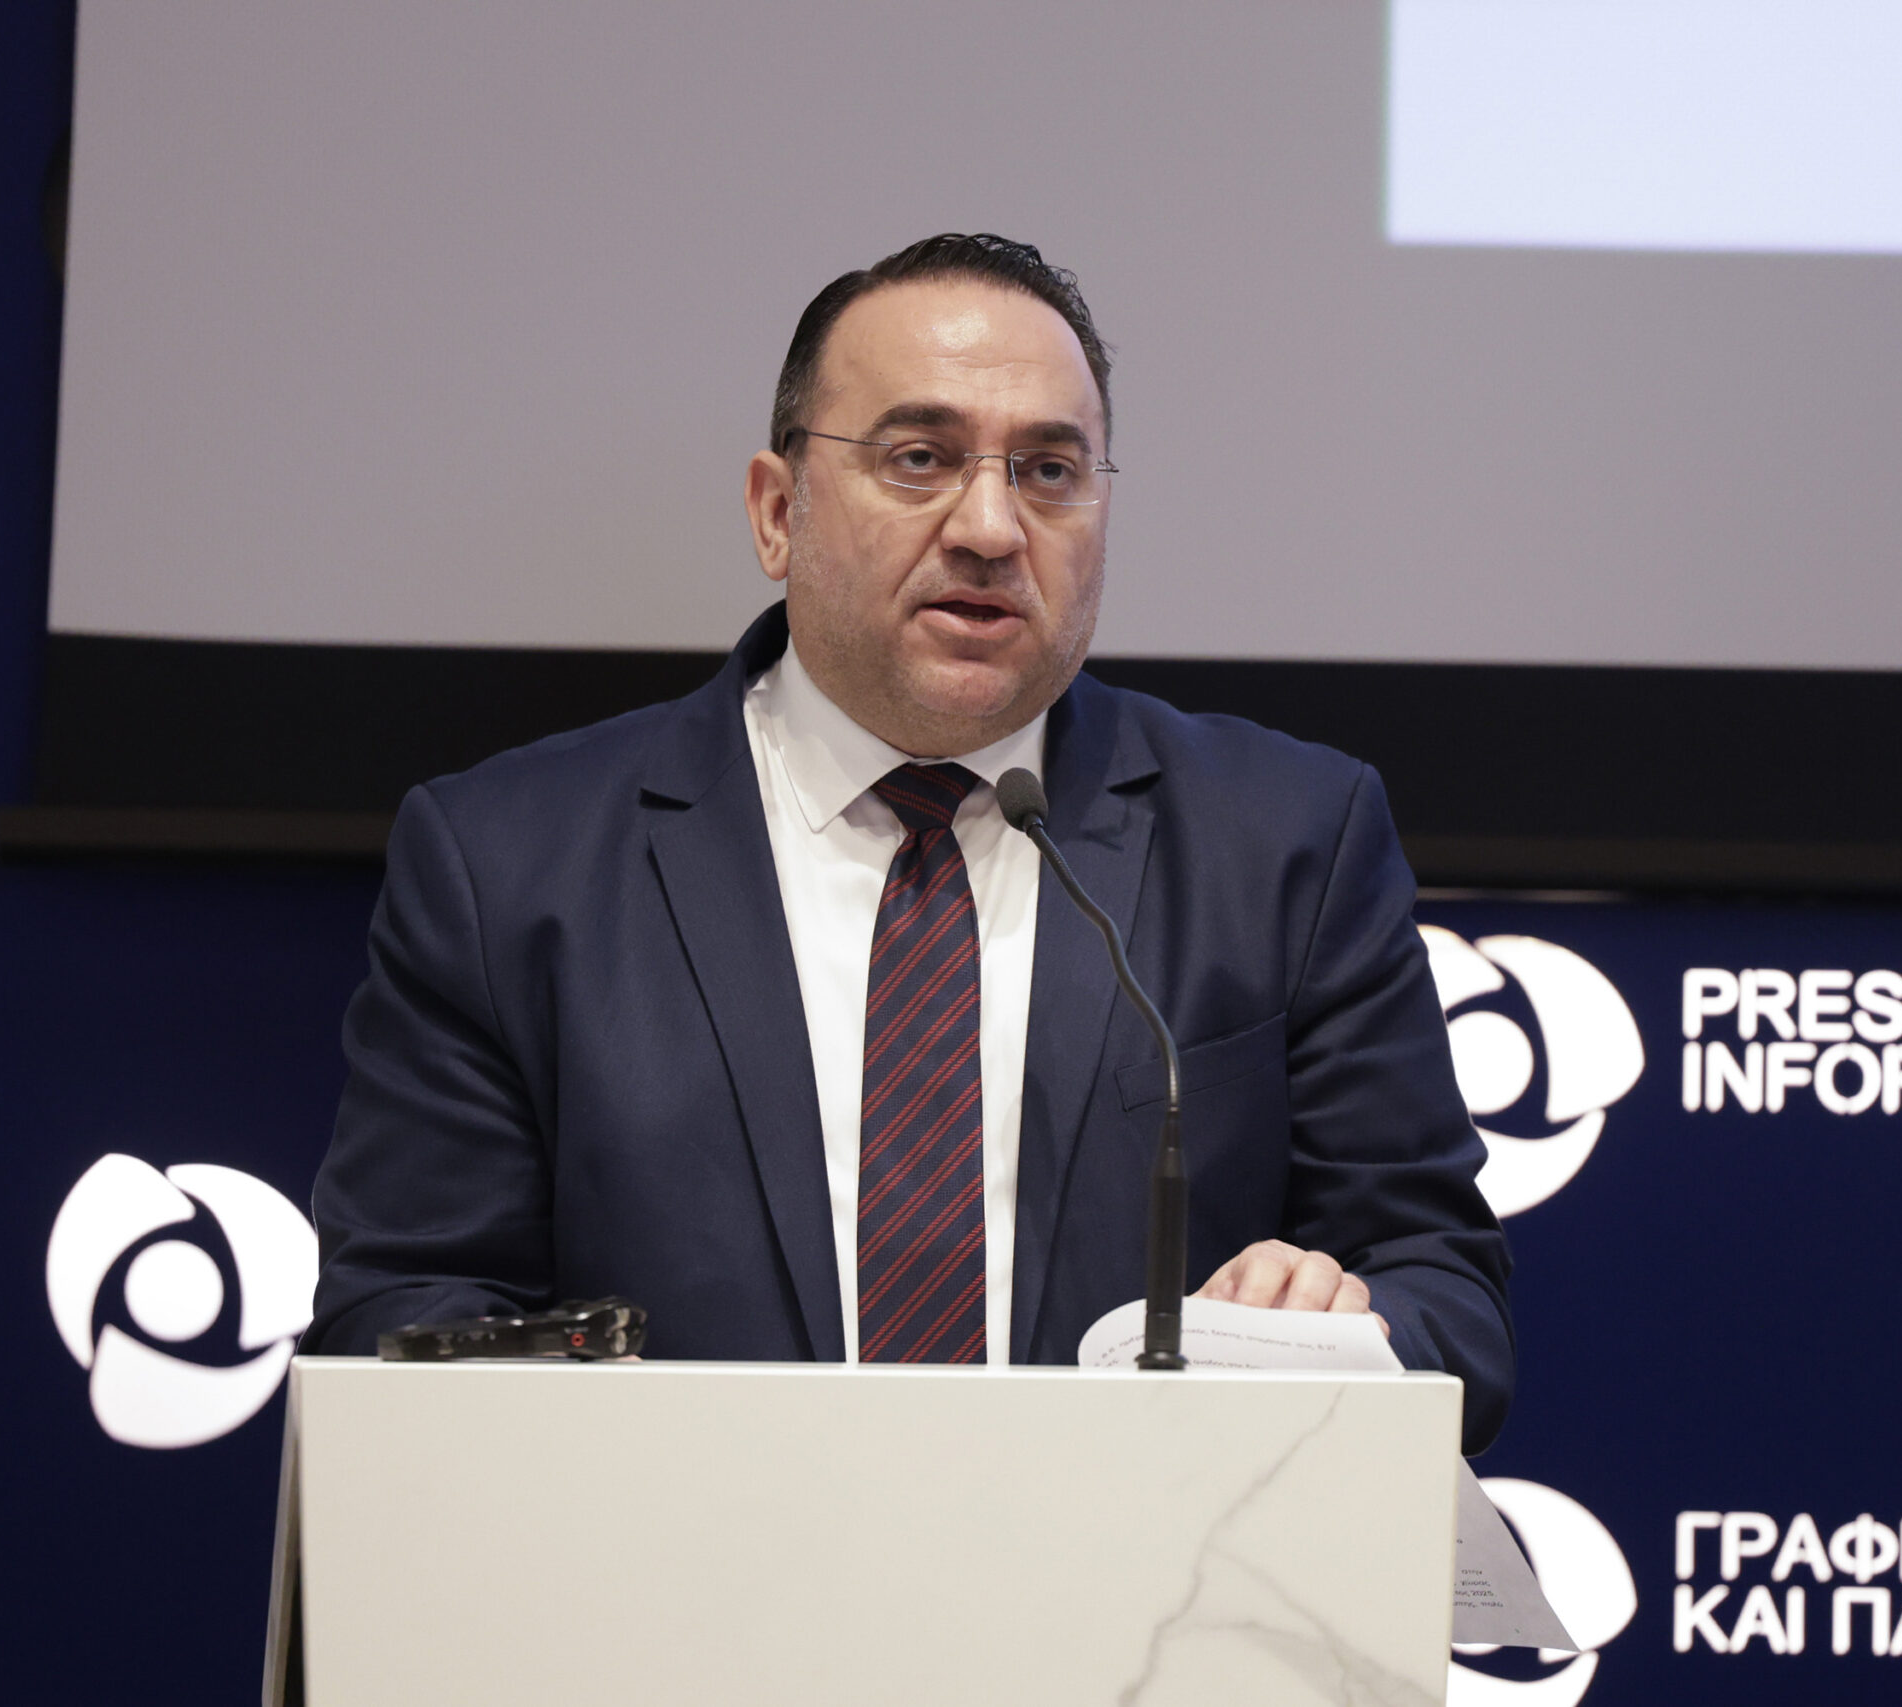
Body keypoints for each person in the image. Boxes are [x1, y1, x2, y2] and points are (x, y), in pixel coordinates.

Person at [303, 233, 1513, 1448]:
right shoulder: (508, 864)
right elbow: (402, 1318)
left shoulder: (1285, 843)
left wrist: (1336, 1331)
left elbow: (1444, 1297)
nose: (991, 526)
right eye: (919, 458)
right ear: (777, 513)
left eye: (1049, 471)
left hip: (1146, 1561)